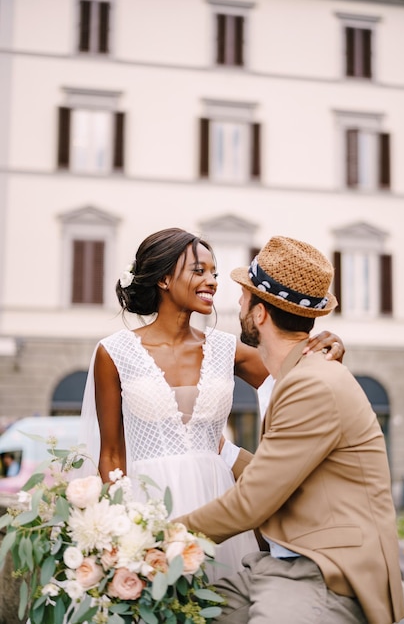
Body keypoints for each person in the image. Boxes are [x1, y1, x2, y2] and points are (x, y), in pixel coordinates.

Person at [78, 228, 345, 580]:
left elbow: (300, 376)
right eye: (198, 270)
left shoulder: (227, 349)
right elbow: (112, 456)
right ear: (163, 279)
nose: (212, 281)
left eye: (214, 273)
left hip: (218, 502)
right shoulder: (113, 353)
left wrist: (329, 345)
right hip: (147, 504)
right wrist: (118, 533)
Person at [175, 235, 404, 623]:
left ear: (260, 314)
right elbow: (281, 476)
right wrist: (222, 451)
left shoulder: (312, 384)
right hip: (281, 563)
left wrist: (157, 536)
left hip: (324, 571)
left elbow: (252, 502)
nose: (236, 303)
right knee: (183, 612)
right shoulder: (301, 376)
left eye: (245, 296)